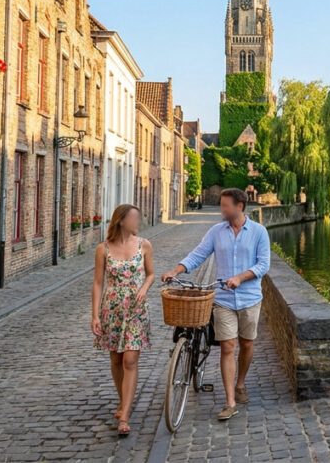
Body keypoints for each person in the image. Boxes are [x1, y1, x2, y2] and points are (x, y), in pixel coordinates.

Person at [163, 187, 270, 421]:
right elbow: (198, 254)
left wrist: (240, 277)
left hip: (250, 298)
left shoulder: (259, 232)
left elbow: (263, 265)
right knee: (229, 346)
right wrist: (176, 270)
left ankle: (240, 382)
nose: (221, 209)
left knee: (247, 343)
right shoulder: (216, 232)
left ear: (239, 206)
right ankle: (230, 401)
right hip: (222, 299)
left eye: (225, 206)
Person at [91, 204, 154, 437]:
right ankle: (122, 400)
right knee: (116, 359)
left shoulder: (144, 245)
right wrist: (95, 315)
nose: (138, 222)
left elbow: (151, 274)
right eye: (134, 218)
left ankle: (125, 415)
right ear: (121, 221)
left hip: (137, 308)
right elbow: (98, 282)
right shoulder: (103, 249)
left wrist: (145, 288)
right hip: (112, 307)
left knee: (130, 359)